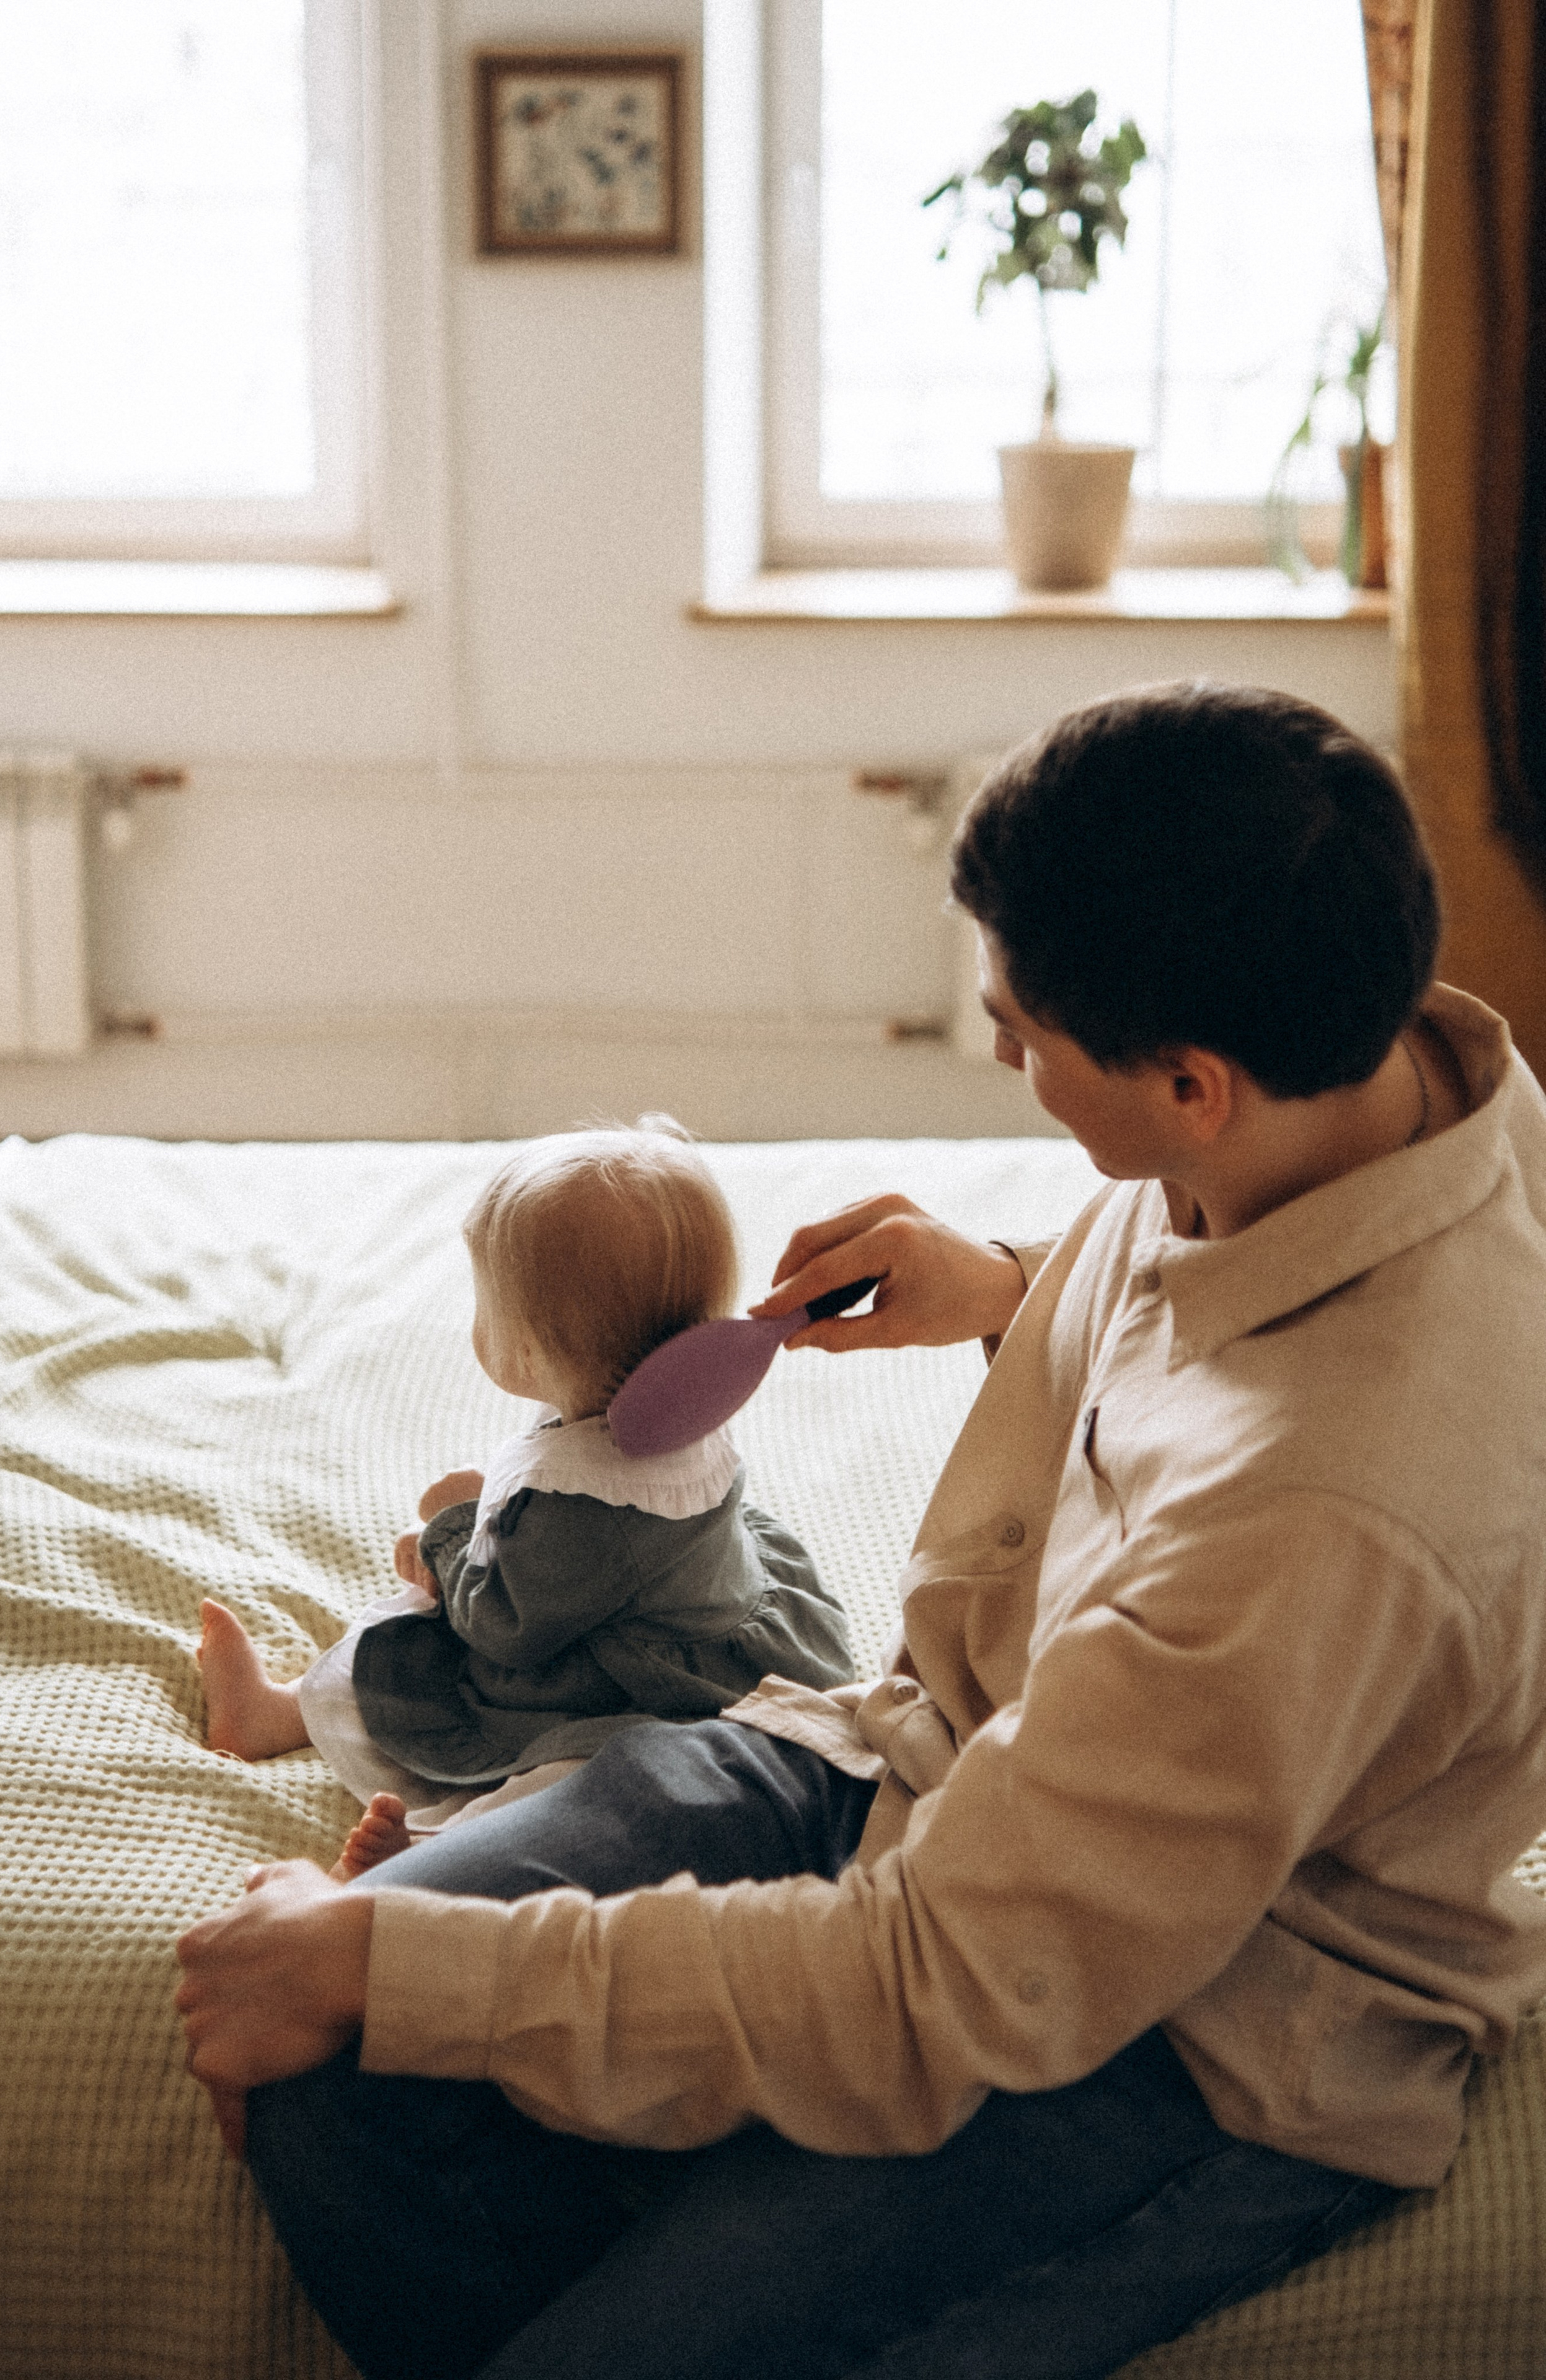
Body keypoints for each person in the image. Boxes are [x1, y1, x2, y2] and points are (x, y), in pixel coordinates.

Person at [177, 682, 1546, 2380]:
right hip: (918, 1757)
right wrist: (1011, 1285)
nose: (1005, 1061)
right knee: (324, 2061)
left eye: (1026, 1039)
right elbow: (1221, 1319)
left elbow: (947, 1972)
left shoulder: (1328, 1515)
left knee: (388, 2026)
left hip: (1187, 2027)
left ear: (1193, 1084)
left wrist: (398, 1962)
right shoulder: (1405, 1074)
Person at [195, 1117, 854, 1879]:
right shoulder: (671, 1401)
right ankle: (275, 1715)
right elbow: (575, 1533)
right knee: (412, 1637)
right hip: (649, 1621)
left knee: (554, 1776)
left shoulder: (593, 1516)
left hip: (662, 1704)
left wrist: (451, 1533)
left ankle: (429, 1859)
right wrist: (491, 1506)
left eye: (486, 1308)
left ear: (530, 1351)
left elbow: (502, 1627)